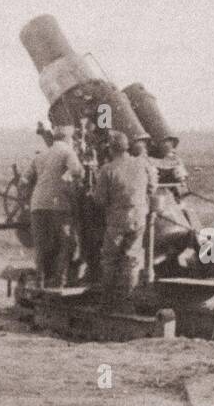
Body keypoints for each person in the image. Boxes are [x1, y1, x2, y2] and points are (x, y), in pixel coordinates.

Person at [91, 131, 153, 310]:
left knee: (110, 259)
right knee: (131, 259)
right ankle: (127, 301)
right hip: (139, 217)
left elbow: (99, 200)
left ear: (110, 149)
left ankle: (108, 303)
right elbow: (152, 187)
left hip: (118, 220)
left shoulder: (108, 169)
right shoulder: (142, 164)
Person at [26, 125, 84, 291]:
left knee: (41, 245)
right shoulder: (67, 151)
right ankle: (59, 281)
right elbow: (77, 171)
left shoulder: (41, 155)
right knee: (66, 243)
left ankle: (40, 282)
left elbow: (25, 179)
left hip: (37, 205)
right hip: (58, 204)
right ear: (68, 139)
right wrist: (66, 179)